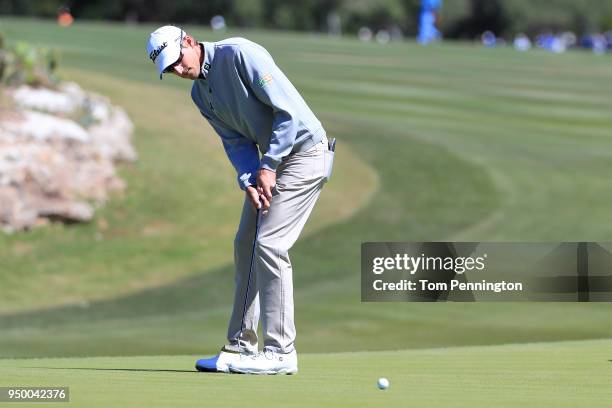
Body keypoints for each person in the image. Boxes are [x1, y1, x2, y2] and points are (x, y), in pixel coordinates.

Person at [146, 26, 334, 375]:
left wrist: (269, 164)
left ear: (188, 41)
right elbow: (235, 143)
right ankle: (239, 347)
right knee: (245, 242)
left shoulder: (240, 54)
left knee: (270, 244)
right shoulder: (200, 96)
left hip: (307, 154)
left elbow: (288, 114)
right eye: (170, 70)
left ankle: (281, 351)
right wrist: (250, 179)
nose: (178, 70)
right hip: (272, 164)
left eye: (177, 61)